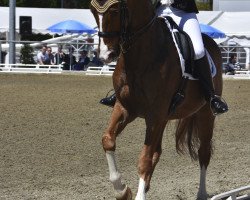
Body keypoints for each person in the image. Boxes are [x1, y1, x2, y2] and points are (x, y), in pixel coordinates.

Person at [100, 0, 228, 115]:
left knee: (199, 50)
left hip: (183, 13)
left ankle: (211, 97)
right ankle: (120, 93)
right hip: (158, 11)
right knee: (134, 40)